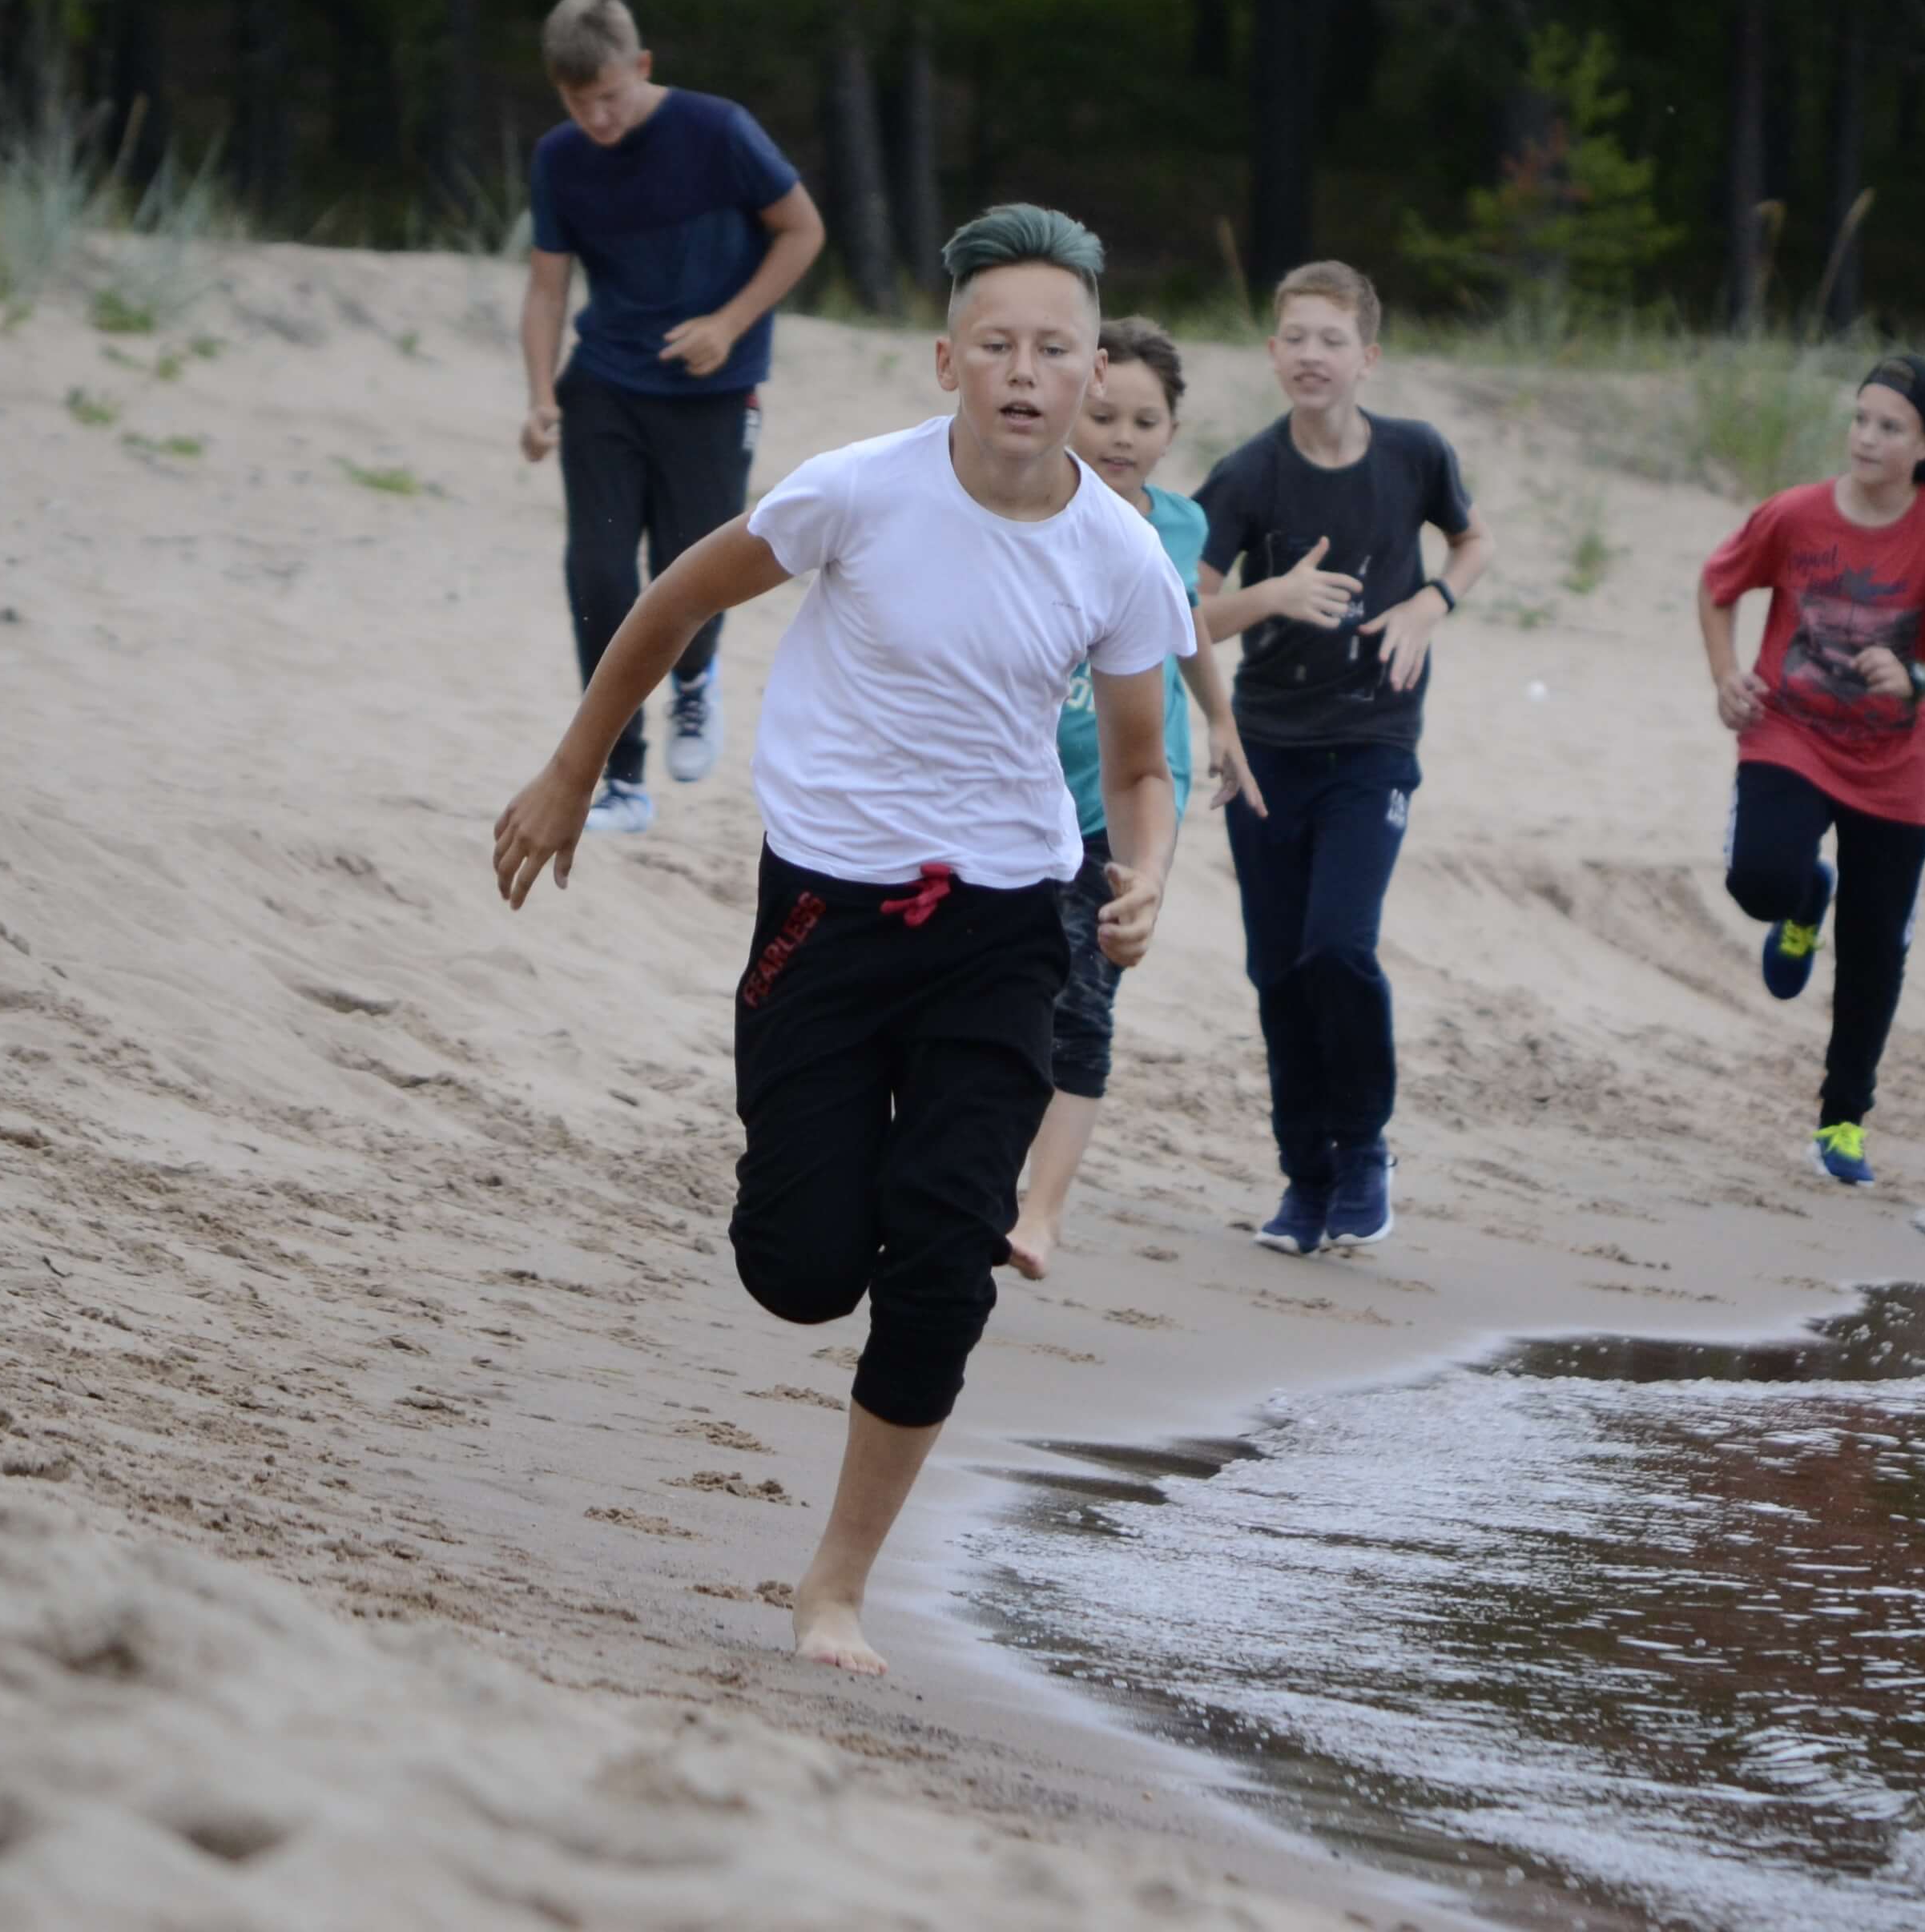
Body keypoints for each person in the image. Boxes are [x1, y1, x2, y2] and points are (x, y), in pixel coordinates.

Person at [490, 203, 1194, 1678]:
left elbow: (1139, 758)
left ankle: (834, 1590)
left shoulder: (1120, 553)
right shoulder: (853, 494)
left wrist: (1144, 870)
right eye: (995, 341)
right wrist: (576, 765)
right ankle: (868, 1192)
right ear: (947, 358)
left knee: (943, 1264)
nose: (1024, 368)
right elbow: (677, 595)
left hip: (1006, 922)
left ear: (1087, 372)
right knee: (801, 1269)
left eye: (1052, 346)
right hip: (821, 914)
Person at [1192, 262, 1492, 1256]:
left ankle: (1363, 1149)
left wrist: (1431, 603)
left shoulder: (1415, 453)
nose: (1311, 355)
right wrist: (1269, 598)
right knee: (1278, 972)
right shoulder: (1247, 475)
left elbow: (1471, 543)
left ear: (1367, 357)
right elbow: (1180, 616)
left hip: (1373, 740)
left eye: (1332, 339)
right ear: (1273, 354)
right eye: (1294, 338)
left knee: (1338, 948)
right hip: (1266, 750)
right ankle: (1304, 1181)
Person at [517, 0, 828, 838]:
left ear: (642, 67)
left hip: (713, 392)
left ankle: (696, 681)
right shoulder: (559, 158)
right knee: (599, 572)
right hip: (607, 382)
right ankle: (620, 777)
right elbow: (547, 289)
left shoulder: (718, 130)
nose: (600, 117)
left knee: (690, 569)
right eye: (580, 104)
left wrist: (730, 323)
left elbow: (802, 230)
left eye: (612, 97)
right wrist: (542, 397)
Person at [1696, 354, 1925, 1187]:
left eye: (1890, 426)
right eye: (1861, 419)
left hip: (1898, 765)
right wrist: (1727, 673)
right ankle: (1801, 902)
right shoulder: (1794, 516)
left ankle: (1842, 1122)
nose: (1867, 437)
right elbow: (1719, 584)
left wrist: (1917, 680)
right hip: (1788, 732)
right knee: (1759, 879)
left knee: (1874, 950)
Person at [1007, 319, 1261, 1282]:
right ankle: (987, 1172)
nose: (1120, 435)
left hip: (1126, 803)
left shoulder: (1183, 526)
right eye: (1104, 413)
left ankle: (1042, 1212)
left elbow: (1186, 630)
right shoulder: (1023, 506)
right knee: (1002, 993)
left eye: (1143, 420)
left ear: (1171, 428)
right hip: (1014, 798)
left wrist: (1223, 722)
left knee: (1085, 1003)